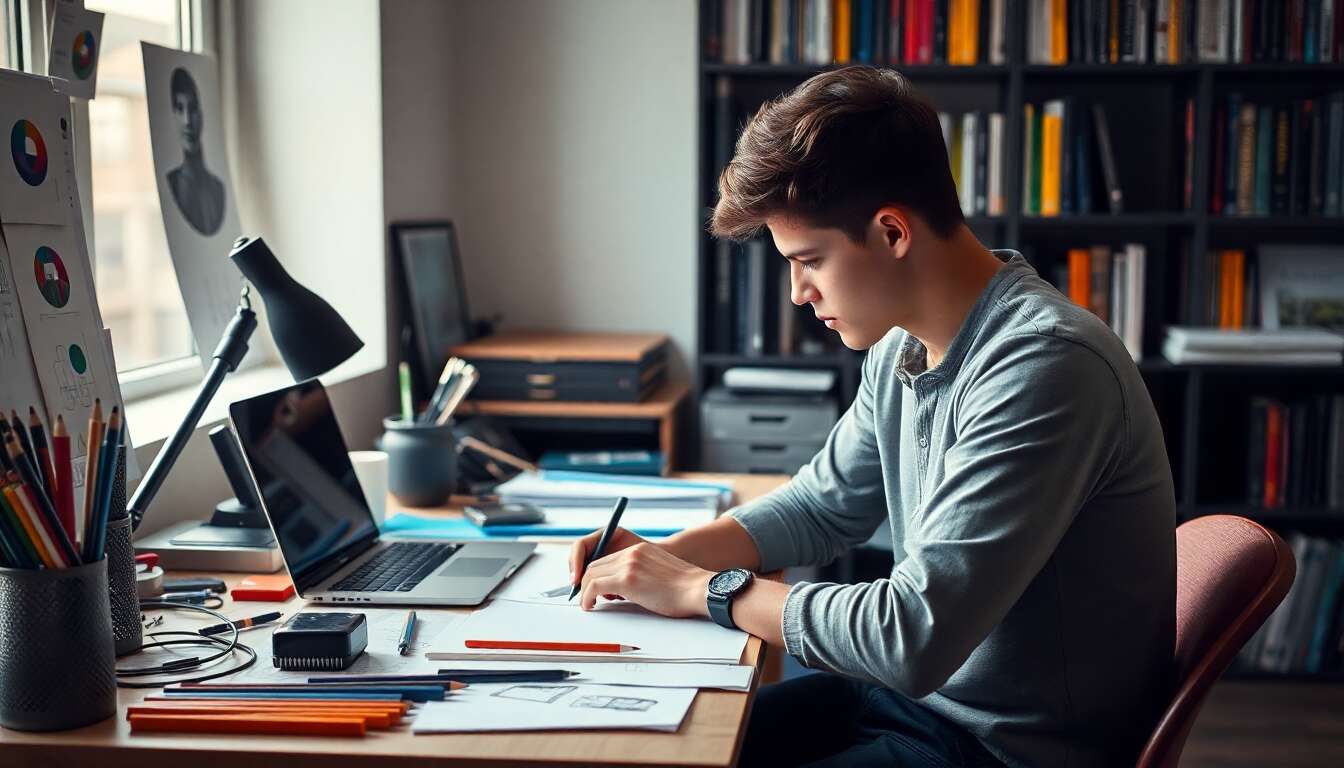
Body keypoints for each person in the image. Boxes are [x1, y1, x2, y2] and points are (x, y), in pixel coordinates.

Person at [569, 66, 1175, 768]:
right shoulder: (902, 347)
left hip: (1004, 748)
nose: (798, 292)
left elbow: (909, 636)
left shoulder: (1046, 368)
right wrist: (668, 556)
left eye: (810, 260)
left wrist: (698, 590)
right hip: (916, 705)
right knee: (655, 749)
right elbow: (825, 506)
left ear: (892, 232)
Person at [165, 67, 225, 236]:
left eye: (192, 108)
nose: (187, 121)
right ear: (173, 114)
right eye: (179, 108)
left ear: (202, 114)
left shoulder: (218, 188)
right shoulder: (172, 183)